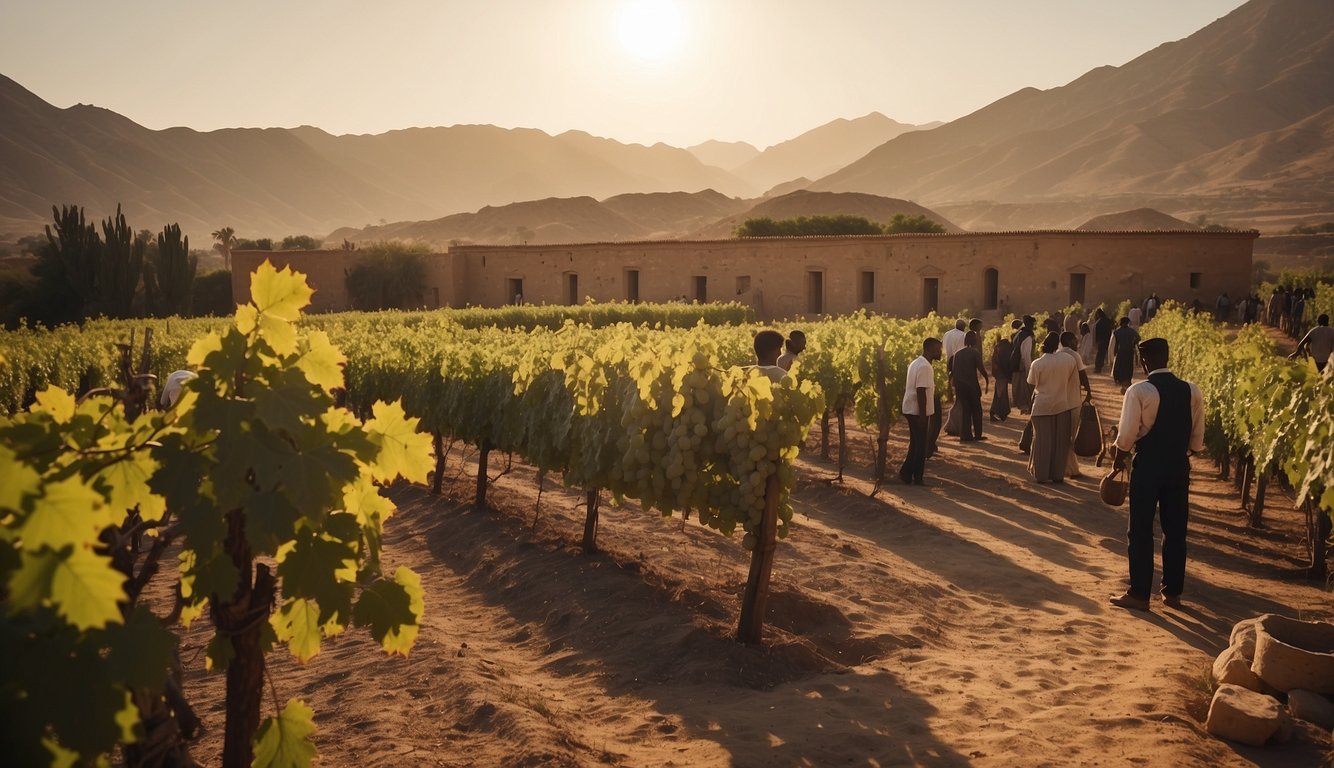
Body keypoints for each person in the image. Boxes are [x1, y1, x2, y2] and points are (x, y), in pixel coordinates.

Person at [1109, 337, 1205, 611]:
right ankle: (1172, 593)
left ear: (1144, 361)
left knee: (1140, 529)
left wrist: (1118, 461)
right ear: (1168, 357)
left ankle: (1139, 594)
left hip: (1148, 466)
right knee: (1175, 530)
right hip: (1178, 467)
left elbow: (1126, 436)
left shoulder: (1140, 391)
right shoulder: (1192, 390)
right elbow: (1197, 441)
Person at [1026, 333, 1079, 483]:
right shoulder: (1069, 360)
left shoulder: (1037, 363)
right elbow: (1072, 383)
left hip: (1042, 406)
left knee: (1043, 442)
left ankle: (1042, 476)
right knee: (1060, 443)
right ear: (1058, 345)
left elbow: (1031, 385)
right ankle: (1057, 475)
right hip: (1063, 406)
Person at [900, 337, 942, 486]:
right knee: (920, 445)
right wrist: (923, 416)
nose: (941, 352)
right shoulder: (924, 366)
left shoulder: (916, 362)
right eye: (938, 349)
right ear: (930, 349)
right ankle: (917, 477)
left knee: (916, 443)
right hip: (917, 411)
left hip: (911, 408)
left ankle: (906, 473)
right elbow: (921, 391)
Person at [1060, 331, 1093, 479]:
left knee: (1062, 435)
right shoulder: (1074, 355)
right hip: (1073, 400)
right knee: (1073, 435)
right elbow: (1083, 375)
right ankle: (1072, 469)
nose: (1076, 342)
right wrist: (1089, 392)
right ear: (1068, 341)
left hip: (1059, 400)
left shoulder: (1058, 354)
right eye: (1074, 340)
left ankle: (1062, 467)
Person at [951, 330, 989, 441]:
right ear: (974, 341)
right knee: (977, 410)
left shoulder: (957, 354)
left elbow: (953, 372)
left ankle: (965, 435)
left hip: (960, 387)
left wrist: (953, 386)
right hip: (972, 386)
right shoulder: (974, 352)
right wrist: (986, 380)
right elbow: (981, 368)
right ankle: (977, 435)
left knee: (965, 410)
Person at [1012, 316, 1036, 414]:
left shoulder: (1018, 334)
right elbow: (1026, 356)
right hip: (1022, 365)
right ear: (1030, 325)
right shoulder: (1027, 337)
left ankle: (1023, 407)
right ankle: (1026, 407)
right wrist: (1029, 369)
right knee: (1025, 387)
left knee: (1020, 388)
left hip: (1016, 364)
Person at [1110, 317, 1140, 393]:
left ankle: (1121, 382)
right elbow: (1138, 338)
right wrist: (1133, 344)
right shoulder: (1131, 331)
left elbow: (1115, 344)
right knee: (1128, 367)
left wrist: (1114, 353)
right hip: (1129, 351)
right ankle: (1127, 381)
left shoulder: (1117, 332)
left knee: (1120, 367)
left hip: (1121, 352)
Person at [990, 336, 1014, 422]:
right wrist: (1008, 375)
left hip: (998, 374)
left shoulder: (999, 346)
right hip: (1002, 374)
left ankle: (998, 413)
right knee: (1001, 394)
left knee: (999, 393)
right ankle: (997, 412)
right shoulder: (1006, 348)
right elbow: (1005, 363)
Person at [1093, 308, 1113, 374]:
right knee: (1110, 353)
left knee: (1100, 354)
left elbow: (1097, 334)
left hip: (1101, 340)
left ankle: (1098, 367)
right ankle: (1111, 367)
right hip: (1108, 339)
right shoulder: (1108, 321)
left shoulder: (1098, 323)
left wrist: (1096, 341)